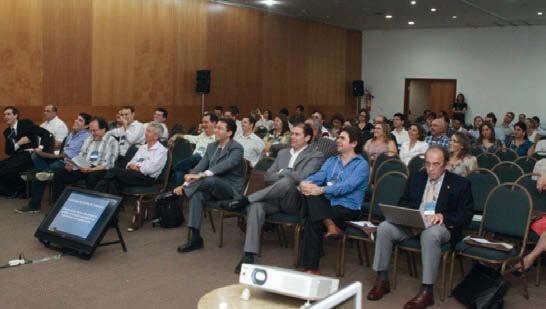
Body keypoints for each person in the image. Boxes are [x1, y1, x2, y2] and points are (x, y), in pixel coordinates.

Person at [368, 146, 473, 309]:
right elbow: (403, 201)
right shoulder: (416, 178)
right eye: (428, 164)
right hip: (414, 223)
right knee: (384, 228)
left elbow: (466, 216)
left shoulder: (460, 184)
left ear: (445, 164)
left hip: (441, 226)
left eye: (436, 164)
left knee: (430, 234)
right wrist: (410, 214)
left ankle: (427, 291)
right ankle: (382, 279)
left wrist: (442, 216)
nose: (430, 169)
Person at [229, 124, 324, 273]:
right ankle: (248, 254)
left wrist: (283, 172)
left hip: (295, 201)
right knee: (256, 207)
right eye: (292, 133)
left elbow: (302, 177)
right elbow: (267, 176)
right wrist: (287, 173)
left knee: (288, 182)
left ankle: (248, 199)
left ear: (307, 137)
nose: (292, 136)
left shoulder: (315, 155)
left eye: (297, 134)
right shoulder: (283, 153)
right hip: (273, 199)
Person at [299, 127, 369, 274]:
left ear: (354, 143)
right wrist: (305, 182)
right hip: (328, 205)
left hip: (348, 208)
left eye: (342, 138)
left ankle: (311, 267)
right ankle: (330, 225)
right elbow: (320, 175)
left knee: (312, 215)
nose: (337, 140)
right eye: (338, 137)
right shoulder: (332, 160)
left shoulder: (361, 164)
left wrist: (322, 190)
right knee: (310, 196)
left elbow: (347, 186)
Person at [174, 118, 245, 253]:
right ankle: (195, 239)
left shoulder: (236, 148)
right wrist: (187, 181)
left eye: (219, 128)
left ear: (229, 133)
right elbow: (198, 167)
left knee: (210, 179)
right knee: (197, 195)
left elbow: (226, 165)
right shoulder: (211, 146)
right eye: (216, 127)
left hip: (230, 190)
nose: (215, 130)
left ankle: (181, 193)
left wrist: (201, 175)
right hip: (211, 187)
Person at [15, 113, 92, 214]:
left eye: (80, 120)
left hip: (72, 165)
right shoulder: (72, 134)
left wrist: (48, 155)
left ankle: (34, 204)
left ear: (86, 126)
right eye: (76, 119)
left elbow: (66, 155)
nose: (76, 121)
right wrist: (44, 152)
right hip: (60, 160)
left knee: (39, 172)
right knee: (36, 156)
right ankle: (48, 173)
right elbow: (61, 150)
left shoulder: (85, 136)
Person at [51, 117, 119, 201]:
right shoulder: (89, 139)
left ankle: (90, 205)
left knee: (92, 176)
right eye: (91, 130)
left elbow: (109, 164)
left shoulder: (112, 141)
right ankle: (58, 205)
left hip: (100, 169)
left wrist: (90, 169)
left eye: (95, 130)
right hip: (84, 167)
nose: (92, 133)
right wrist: (73, 164)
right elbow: (81, 156)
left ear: (103, 129)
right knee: (60, 173)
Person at [95, 123, 168, 198]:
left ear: (156, 136)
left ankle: (95, 196)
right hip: (133, 173)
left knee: (113, 171)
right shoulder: (143, 147)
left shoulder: (161, 150)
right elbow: (131, 162)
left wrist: (138, 167)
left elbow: (151, 169)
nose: (146, 133)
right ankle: (114, 207)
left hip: (147, 179)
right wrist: (132, 166)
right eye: (146, 131)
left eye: (149, 131)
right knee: (113, 182)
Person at [0, 106, 54, 198]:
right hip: (17, 156)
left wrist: (41, 149)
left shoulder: (25, 124)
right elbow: (8, 151)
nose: (6, 117)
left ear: (16, 115)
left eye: (8, 114)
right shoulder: (7, 132)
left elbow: (47, 134)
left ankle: (21, 190)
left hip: (29, 155)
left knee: (6, 170)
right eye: (4, 115)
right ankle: (11, 191)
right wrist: (18, 143)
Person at [168, 113, 217, 185]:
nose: (203, 125)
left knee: (197, 157)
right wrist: (177, 135)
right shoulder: (202, 135)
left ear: (214, 123)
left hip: (206, 165)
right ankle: (177, 193)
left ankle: (174, 168)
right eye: (202, 122)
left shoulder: (218, 138)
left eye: (206, 122)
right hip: (193, 164)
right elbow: (188, 137)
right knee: (180, 173)